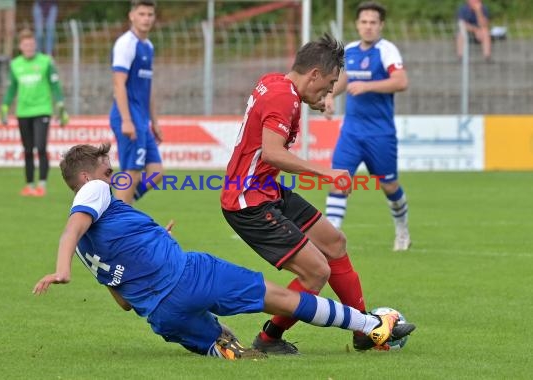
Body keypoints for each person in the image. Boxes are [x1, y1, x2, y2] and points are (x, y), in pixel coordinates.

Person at [32, 142, 415, 360]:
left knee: (228, 344)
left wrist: (152, 242)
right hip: (191, 277)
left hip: (162, 315)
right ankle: (371, 326)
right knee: (282, 298)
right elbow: (70, 229)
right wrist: (60, 270)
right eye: (105, 172)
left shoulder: (88, 249)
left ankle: (221, 345)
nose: (112, 178)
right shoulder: (91, 194)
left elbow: (125, 302)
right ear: (85, 179)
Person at [220, 33, 379, 354]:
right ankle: (268, 339)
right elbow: (272, 153)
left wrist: (312, 100)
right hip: (247, 200)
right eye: (329, 84)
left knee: (334, 242)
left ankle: (364, 327)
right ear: (314, 74)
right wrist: (327, 173)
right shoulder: (284, 97)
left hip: (265, 190)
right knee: (316, 271)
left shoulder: (277, 83)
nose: (331, 91)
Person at [323, 1, 410, 251]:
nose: (368, 27)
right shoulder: (350, 50)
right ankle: (331, 238)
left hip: (380, 135)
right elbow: (344, 79)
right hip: (351, 132)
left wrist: (368, 86)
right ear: (357, 25)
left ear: (381, 25)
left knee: (389, 185)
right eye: (364, 22)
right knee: (338, 179)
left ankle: (402, 229)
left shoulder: (387, 51)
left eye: (373, 22)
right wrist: (330, 96)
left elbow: (401, 81)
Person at [0, 29, 69, 197]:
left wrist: (61, 106)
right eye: (25, 45)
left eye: (31, 44)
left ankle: (42, 185)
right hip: (23, 111)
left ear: (35, 45)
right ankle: (29, 185)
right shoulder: (15, 64)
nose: (29, 47)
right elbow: (12, 88)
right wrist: (4, 106)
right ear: (20, 46)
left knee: (41, 146)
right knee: (28, 149)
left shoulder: (46, 61)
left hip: (42, 110)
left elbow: (55, 85)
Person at [110, 0, 163, 204]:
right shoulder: (126, 43)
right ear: (131, 16)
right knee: (130, 173)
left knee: (155, 171)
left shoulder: (148, 46)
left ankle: (121, 206)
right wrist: (126, 119)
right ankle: (119, 221)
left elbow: (147, 89)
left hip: (142, 120)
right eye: (142, 14)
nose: (146, 18)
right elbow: (118, 83)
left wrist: (155, 122)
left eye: (150, 14)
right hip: (128, 117)